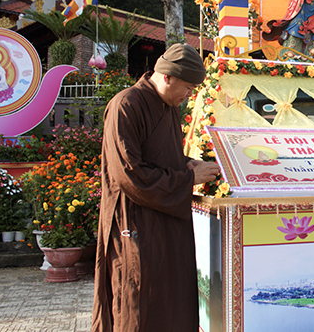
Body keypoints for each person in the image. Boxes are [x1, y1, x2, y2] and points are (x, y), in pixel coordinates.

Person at [91, 43, 221, 332]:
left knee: (172, 297)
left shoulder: (167, 106)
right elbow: (130, 174)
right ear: (167, 77)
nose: (189, 95)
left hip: (167, 220)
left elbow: (164, 158)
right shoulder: (126, 105)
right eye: (188, 87)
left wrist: (189, 165)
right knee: (138, 296)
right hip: (136, 220)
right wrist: (188, 179)